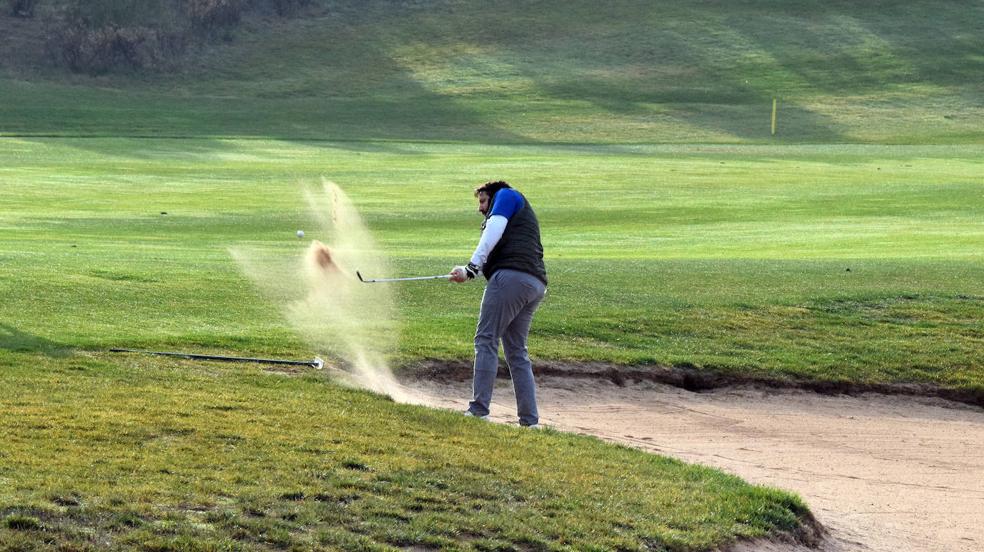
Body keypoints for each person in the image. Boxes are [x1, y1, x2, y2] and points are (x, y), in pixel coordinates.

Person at [449, 181, 547, 428]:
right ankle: (529, 421)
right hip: (534, 284)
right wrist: (470, 272)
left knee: (486, 339)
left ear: (492, 196)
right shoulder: (517, 215)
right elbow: (497, 249)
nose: (480, 208)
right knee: (516, 352)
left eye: (482, 201)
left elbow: (494, 229)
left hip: (511, 279)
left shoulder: (506, 195)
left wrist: (471, 266)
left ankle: (479, 410)